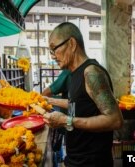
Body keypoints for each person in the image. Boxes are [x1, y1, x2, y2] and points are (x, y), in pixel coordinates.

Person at [43, 22, 124, 167]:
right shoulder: (74, 74)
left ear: (72, 44)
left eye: (54, 48)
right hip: (75, 159)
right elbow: (79, 104)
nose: (53, 56)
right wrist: (48, 101)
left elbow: (115, 120)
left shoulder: (91, 72)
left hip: (92, 163)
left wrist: (66, 121)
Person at [41, 69, 71, 167]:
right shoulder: (77, 73)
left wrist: (49, 101)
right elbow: (74, 103)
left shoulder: (68, 73)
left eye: (55, 53)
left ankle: (60, 159)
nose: (54, 57)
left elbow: (45, 92)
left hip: (72, 123)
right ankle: (60, 158)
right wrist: (51, 101)